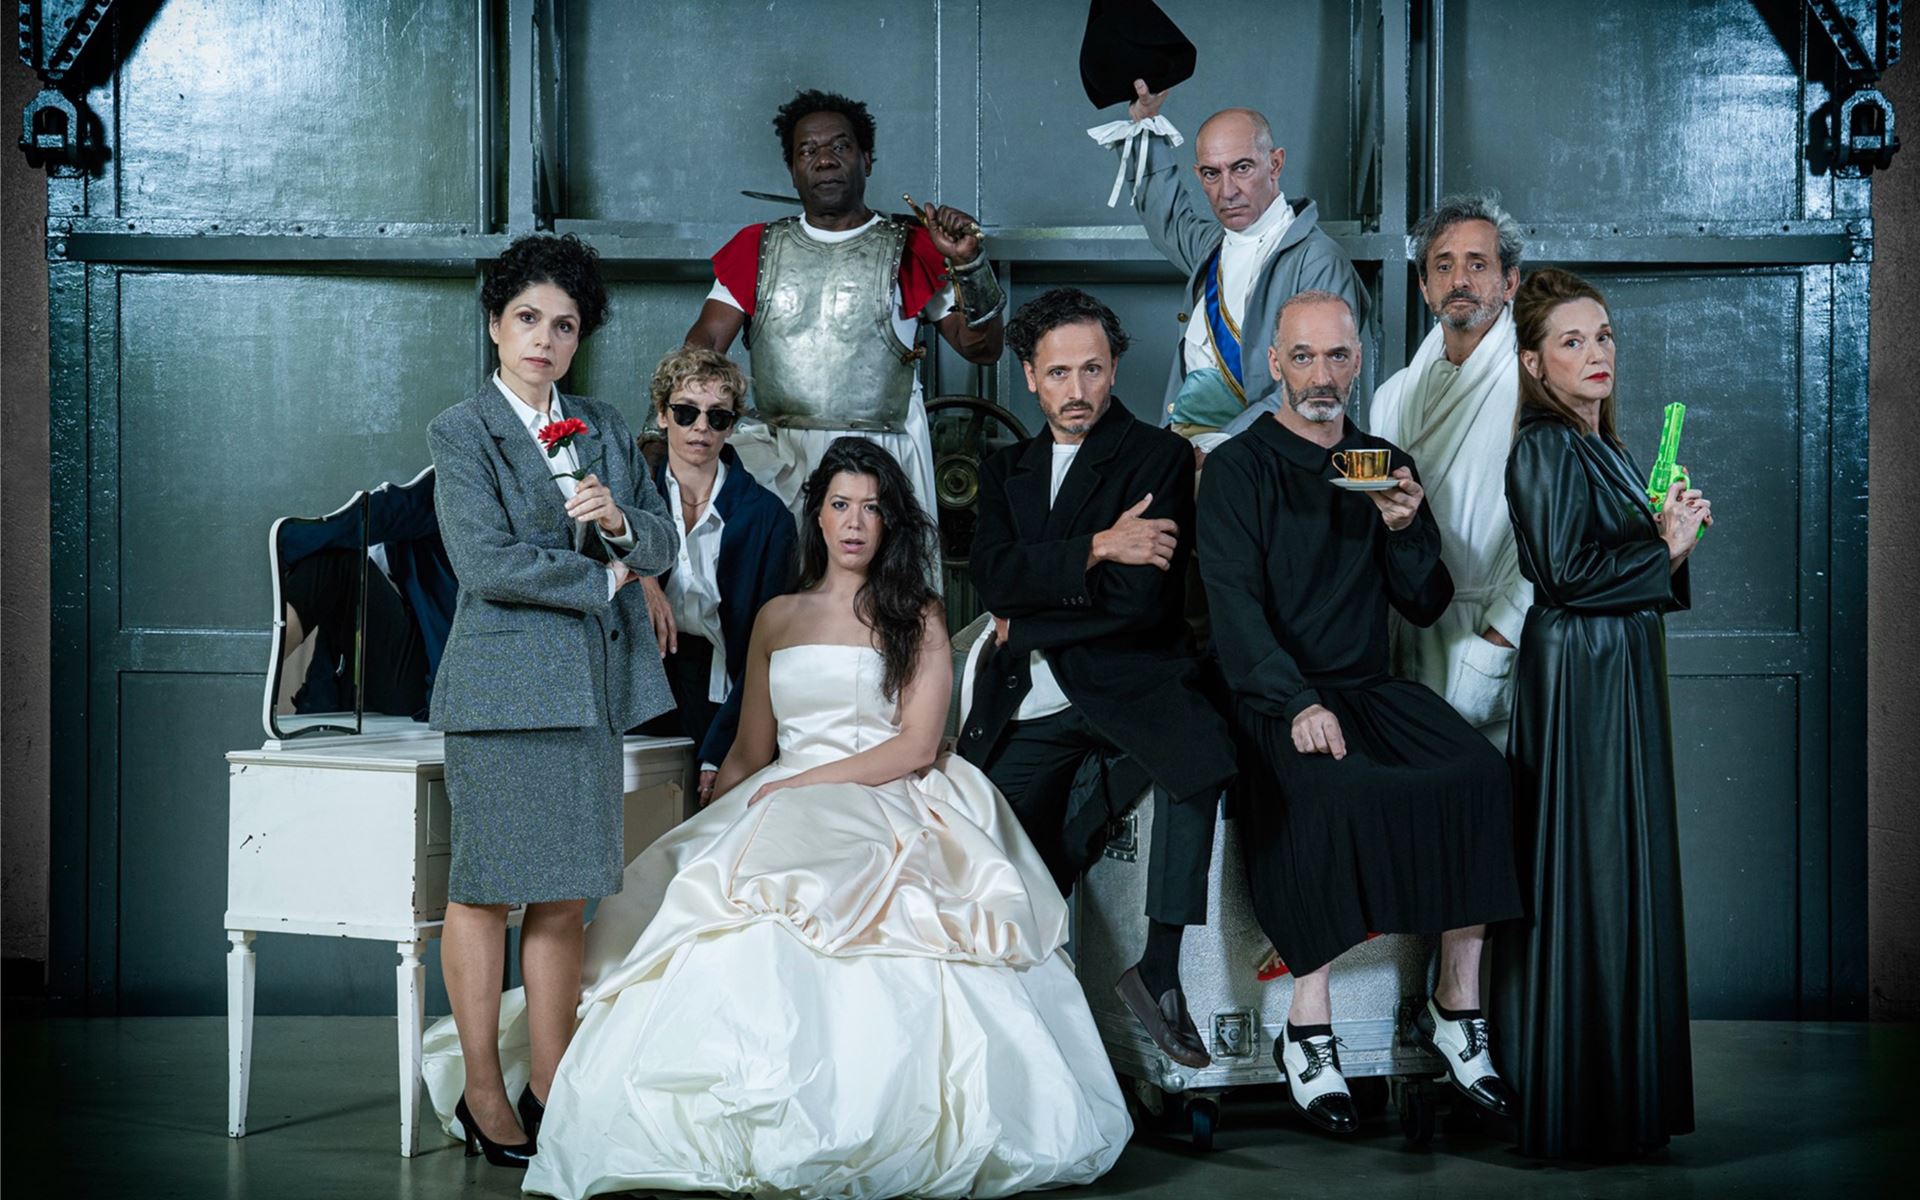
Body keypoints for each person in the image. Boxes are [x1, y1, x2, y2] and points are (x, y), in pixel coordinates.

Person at [426, 438, 1129, 1198]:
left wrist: (802, 782)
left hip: (889, 793)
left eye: (872, 509)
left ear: (891, 523)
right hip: (779, 797)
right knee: (710, 904)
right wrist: (711, 823)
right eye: (840, 505)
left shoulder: (918, 614)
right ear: (817, 517)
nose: (854, 523)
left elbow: (918, 744)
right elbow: (751, 750)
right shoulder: (778, 616)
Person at [1197, 291, 1522, 1135]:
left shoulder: (1379, 462)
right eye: (1303, 357)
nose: (1321, 375)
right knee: (1332, 792)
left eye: (1338, 357)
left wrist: (1408, 528)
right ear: (1276, 364)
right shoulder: (1238, 468)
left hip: (1368, 688)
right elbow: (1233, 610)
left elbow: (1424, 601)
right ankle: (1308, 1028)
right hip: (1275, 695)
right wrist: (1296, 700)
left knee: (1481, 776)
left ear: (1358, 363)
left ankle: (1457, 1005)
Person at [425, 233, 679, 1168]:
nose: (544, 339)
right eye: (527, 318)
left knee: (565, 897)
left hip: (591, 693)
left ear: (579, 339)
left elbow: (662, 542)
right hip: (503, 693)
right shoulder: (462, 430)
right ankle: (483, 1094)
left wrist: (621, 524)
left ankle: (552, 1087)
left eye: (564, 325)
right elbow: (486, 564)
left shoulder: (603, 425)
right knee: (485, 891)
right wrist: (607, 579)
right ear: (496, 325)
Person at [958, 288, 1237, 1070]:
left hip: (1133, 678)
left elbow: (1138, 602)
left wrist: (1031, 618)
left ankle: (1160, 970)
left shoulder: (1156, 456)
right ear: (1028, 376)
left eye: (1091, 369)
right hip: (1033, 698)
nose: (1076, 390)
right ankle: (1020, 1016)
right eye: (1057, 373)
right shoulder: (1005, 467)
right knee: (1010, 860)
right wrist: (1097, 547)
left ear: (1114, 369)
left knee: (1197, 763)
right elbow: (993, 579)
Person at [1494, 268, 1712, 1160]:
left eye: (1604, 335)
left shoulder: (1604, 445)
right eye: (1572, 341)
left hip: (1616, 665)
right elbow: (1567, 576)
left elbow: (1618, 562)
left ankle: (1618, 1098)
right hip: (1581, 676)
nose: (1596, 353)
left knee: (1618, 868)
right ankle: (1579, 1103)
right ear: (1534, 363)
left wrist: (1668, 536)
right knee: (1585, 869)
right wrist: (1665, 549)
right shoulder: (1544, 446)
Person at [685, 88, 1005, 522]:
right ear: (792, 169)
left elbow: (983, 349)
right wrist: (658, 430)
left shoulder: (913, 249)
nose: (825, 160)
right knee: (780, 565)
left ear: (866, 159)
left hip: (883, 454)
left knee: (886, 567)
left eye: (840, 147)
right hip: (781, 457)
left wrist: (970, 263)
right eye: (808, 150)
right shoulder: (755, 247)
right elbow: (703, 346)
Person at [1095, 79, 1370, 449]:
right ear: (1199, 175)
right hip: (1183, 446)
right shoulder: (1211, 244)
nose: (1227, 191)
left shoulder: (1319, 260)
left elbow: (1316, 385)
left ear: (1275, 163)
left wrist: (1223, 450)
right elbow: (1166, 218)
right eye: (1212, 173)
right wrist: (1144, 121)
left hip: (1260, 455)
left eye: (1242, 168)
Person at [1368, 193, 1530, 744]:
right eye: (1443, 265)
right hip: (1404, 634)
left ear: (1509, 282)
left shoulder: (1536, 387)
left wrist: (1501, 637)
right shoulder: (1391, 397)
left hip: (1489, 637)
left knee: (1500, 790)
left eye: (1477, 264)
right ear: (1424, 285)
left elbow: (1566, 533)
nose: (1459, 279)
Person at [633, 346, 796, 805]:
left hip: (725, 689)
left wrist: (726, 745)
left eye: (717, 416)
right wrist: (641, 574)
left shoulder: (770, 520)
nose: (701, 427)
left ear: (732, 425)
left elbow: (768, 650)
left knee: (712, 815)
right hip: (640, 680)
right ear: (662, 415)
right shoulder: (629, 504)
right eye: (686, 412)